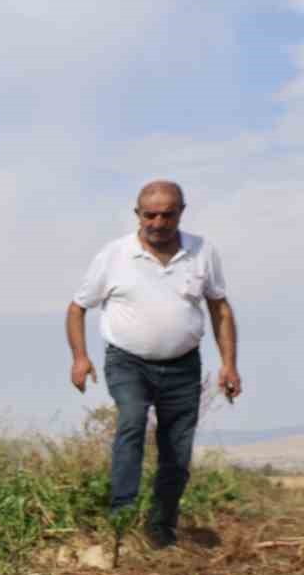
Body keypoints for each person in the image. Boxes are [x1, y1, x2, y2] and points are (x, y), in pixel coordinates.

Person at [65, 180, 241, 548]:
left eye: (168, 214)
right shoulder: (114, 255)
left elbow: (219, 308)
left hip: (183, 366)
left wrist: (229, 365)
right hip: (128, 362)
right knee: (131, 421)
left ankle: (161, 530)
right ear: (137, 215)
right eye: (150, 215)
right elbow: (77, 307)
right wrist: (80, 358)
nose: (159, 223)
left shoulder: (202, 252)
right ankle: (122, 521)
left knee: (177, 448)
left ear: (181, 212)